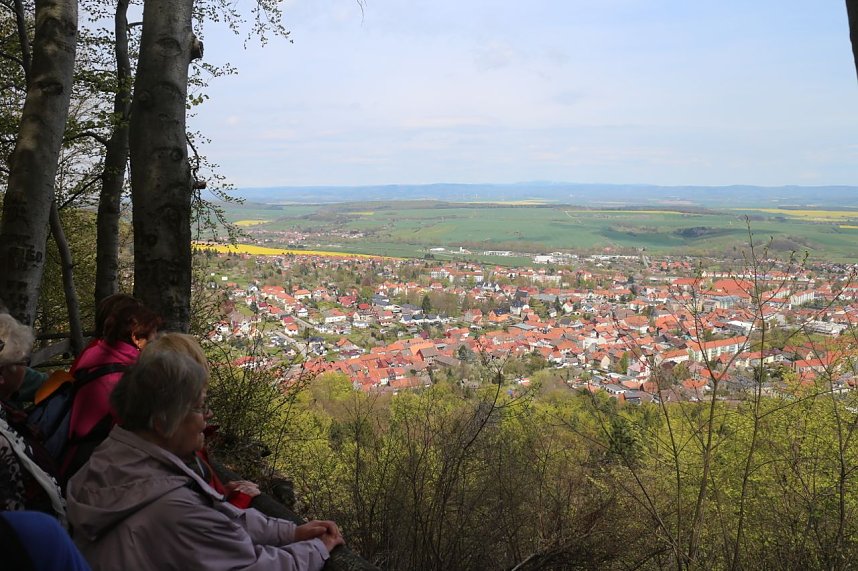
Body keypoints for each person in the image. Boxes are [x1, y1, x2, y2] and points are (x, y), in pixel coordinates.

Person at [67, 348, 344, 570]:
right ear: (165, 422)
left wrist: (289, 533)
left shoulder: (111, 460)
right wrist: (317, 549)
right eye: (199, 407)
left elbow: (219, 524)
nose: (208, 416)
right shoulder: (173, 508)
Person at [146, 332, 261, 508]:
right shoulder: (170, 466)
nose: (209, 414)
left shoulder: (162, 445)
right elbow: (211, 527)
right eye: (198, 405)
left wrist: (220, 492)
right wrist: (240, 499)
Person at [60, 295, 161, 481]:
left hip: (75, 456)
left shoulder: (95, 354)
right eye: (153, 334)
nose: (156, 340)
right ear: (137, 338)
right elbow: (139, 433)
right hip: (95, 469)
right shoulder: (124, 377)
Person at [0, 314, 66, 524]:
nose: (26, 370)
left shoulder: (8, 414)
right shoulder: (3, 443)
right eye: (23, 362)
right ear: (2, 374)